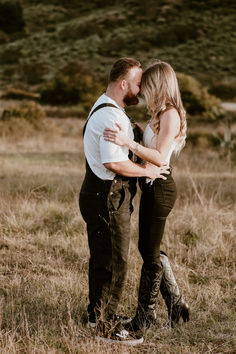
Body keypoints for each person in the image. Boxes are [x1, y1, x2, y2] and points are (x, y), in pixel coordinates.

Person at [79, 57, 169, 345]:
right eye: (137, 84)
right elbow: (114, 163)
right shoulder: (111, 117)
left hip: (98, 193)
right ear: (123, 84)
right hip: (108, 196)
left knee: (102, 258)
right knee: (115, 261)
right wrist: (148, 170)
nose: (140, 90)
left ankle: (97, 315)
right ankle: (105, 328)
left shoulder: (107, 107)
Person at [103, 60, 189, 332]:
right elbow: (152, 148)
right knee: (147, 248)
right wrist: (138, 132)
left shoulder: (171, 114)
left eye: (146, 85)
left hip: (161, 189)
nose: (141, 92)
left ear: (159, 84)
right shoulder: (160, 113)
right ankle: (176, 306)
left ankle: (145, 318)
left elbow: (160, 157)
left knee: (149, 251)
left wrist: (129, 143)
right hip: (150, 187)